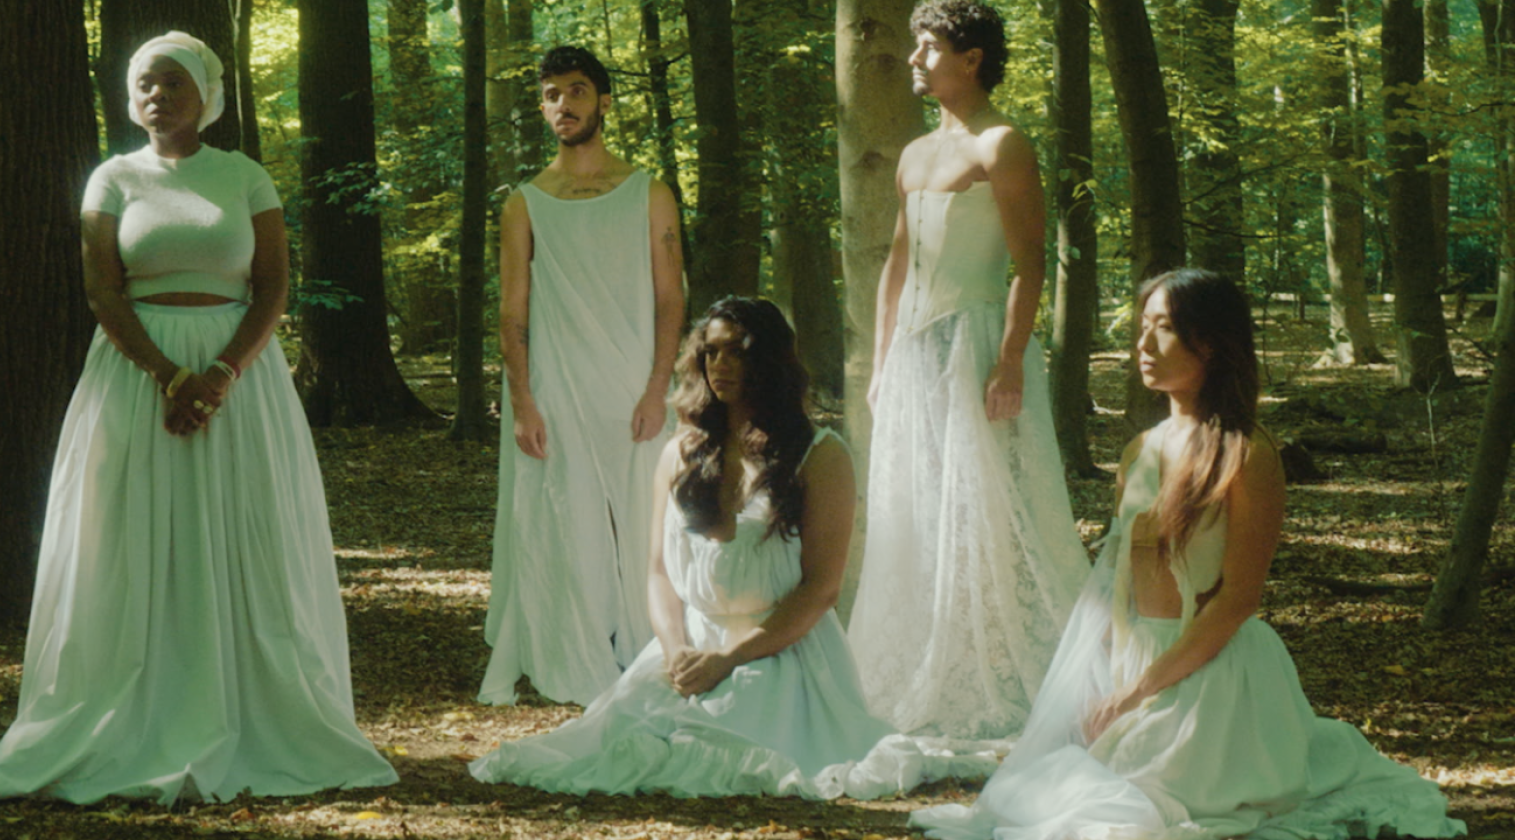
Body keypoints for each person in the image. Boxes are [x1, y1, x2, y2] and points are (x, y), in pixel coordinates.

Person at [0, 32, 397, 805]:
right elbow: (103, 289)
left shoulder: (244, 176)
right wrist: (167, 374)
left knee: (240, 527)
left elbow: (272, 287)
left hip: (239, 377)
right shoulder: (112, 178)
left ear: (206, 95)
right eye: (145, 84)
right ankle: (134, 713)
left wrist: (220, 373)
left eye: (173, 82)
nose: (157, 95)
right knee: (129, 533)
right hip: (135, 374)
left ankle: (247, 707)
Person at [909, 269, 1466, 840]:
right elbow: (1116, 582)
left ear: (1211, 343)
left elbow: (1237, 602)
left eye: (1165, 329)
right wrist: (1100, 681)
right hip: (1135, 662)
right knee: (1042, 797)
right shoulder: (1138, 452)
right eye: (1143, 327)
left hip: (1213, 675)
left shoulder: (1248, 455)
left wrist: (1135, 694)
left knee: (1133, 811)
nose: (1143, 345)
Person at [470, 298, 994, 798]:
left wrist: (729, 660)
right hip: (690, 647)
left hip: (780, 653)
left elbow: (821, 589)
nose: (720, 365)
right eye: (711, 352)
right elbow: (657, 571)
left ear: (770, 360)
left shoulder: (821, 455)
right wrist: (675, 651)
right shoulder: (679, 452)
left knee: (727, 746)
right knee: (625, 741)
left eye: (737, 351)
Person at [846, 0, 1089, 741]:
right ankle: (930, 657)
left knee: (988, 506)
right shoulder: (915, 153)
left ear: (972, 57)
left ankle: (1009, 665)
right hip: (914, 353)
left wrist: (1009, 359)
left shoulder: (1002, 145)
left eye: (927, 47)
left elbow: (1029, 262)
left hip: (975, 346)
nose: (913, 60)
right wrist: (882, 361)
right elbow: (897, 265)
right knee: (916, 507)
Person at [479, 45, 685, 706]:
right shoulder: (525, 203)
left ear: (603, 101)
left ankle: (652, 645)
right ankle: (573, 643)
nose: (562, 105)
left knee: (646, 513)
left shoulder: (649, 191)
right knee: (564, 512)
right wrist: (523, 402)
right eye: (551, 95)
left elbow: (671, 298)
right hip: (557, 380)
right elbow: (512, 311)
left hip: (632, 377)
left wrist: (658, 388)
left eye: (575, 91)